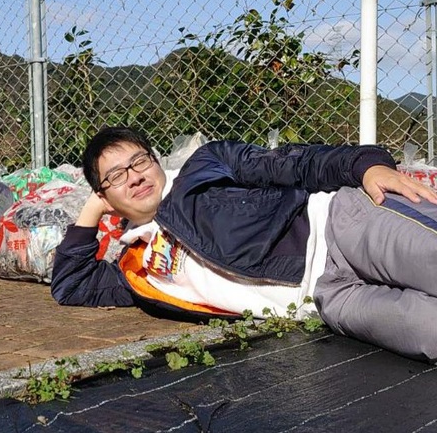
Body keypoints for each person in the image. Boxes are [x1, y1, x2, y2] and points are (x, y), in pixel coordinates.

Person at [51, 126, 437, 362]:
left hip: (338, 226)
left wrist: (365, 165)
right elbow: (71, 284)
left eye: (139, 162)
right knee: (426, 331)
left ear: (155, 161)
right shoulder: (138, 270)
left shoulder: (204, 167)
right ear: (104, 196)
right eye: (116, 176)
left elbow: (290, 162)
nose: (135, 177)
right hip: (328, 299)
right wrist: (91, 210)